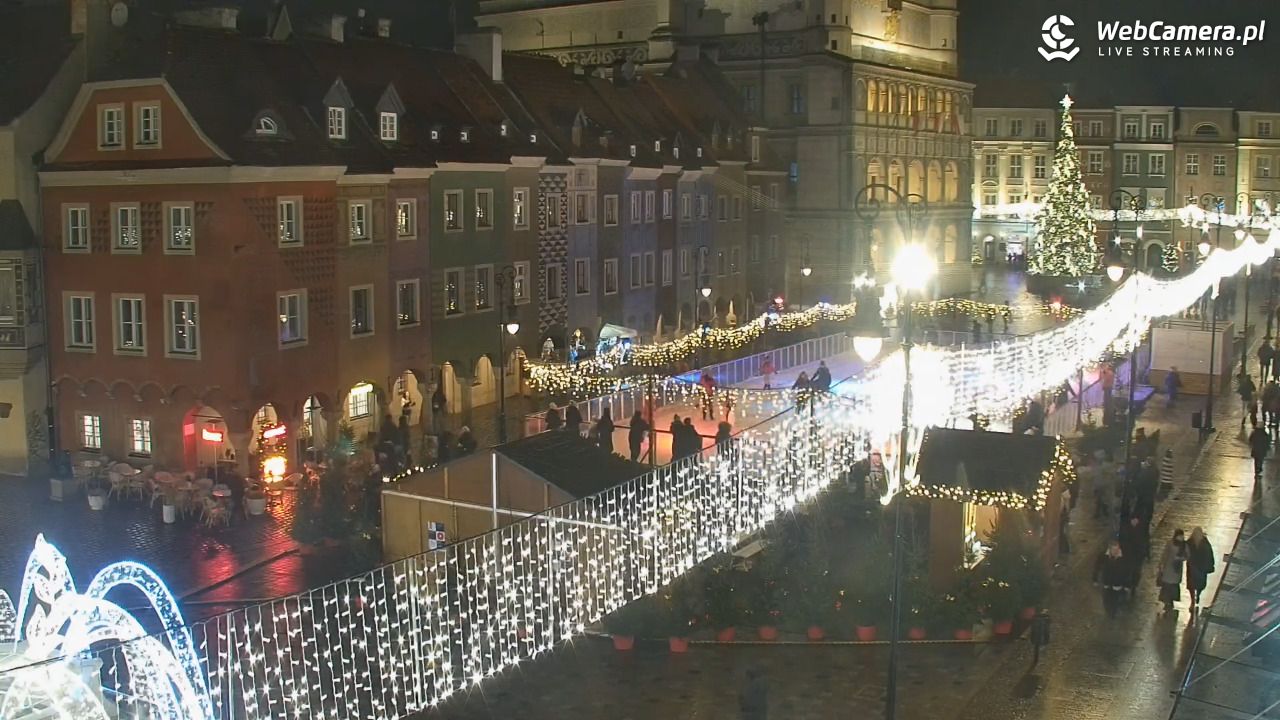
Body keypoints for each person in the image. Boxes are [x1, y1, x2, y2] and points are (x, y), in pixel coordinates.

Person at [1094, 540, 1129, 618]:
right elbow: (1097, 566)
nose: (1115, 552)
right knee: (1106, 599)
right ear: (1109, 549)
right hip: (1107, 582)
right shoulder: (1103, 556)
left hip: (1118, 583)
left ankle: (1113, 613)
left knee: (1115, 600)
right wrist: (1095, 579)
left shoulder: (1124, 558)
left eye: (1116, 550)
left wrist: (1127, 585)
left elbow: (1127, 571)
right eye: (1113, 550)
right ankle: (1109, 612)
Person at [1157, 529, 1189, 615]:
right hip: (1168, 568)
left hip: (1176, 570)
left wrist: (1180, 558)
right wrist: (1161, 565)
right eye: (1179, 536)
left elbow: (1187, 555)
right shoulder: (1170, 543)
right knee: (1167, 586)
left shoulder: (1184, 545)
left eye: (1182, 536)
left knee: (1173, 586)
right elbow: (1165, 554)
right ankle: (1167, 601)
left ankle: (1170, 601)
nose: (1181, 538)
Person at [1185, 526, 1216, 612]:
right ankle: (1193, 600)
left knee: (1197, 585)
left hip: (1198, 568)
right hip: (1195, 568)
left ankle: (1196, 596)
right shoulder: (1191, 543)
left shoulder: (1204, 544)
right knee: (1193, 585)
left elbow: (1209, 555)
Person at [1119, 514, 1150, 593]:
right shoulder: (1125, 529)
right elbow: (1122, 540)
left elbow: (1145, 541)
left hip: (1138, 555)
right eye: (1133, 520)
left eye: (1136, 520)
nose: (1134, 522)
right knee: (1127, 570)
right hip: (1128, 554)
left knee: (1136, 571)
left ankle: (1133, 586)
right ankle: (1126, 584)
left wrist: (1145, 553)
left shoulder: (1141, 529)